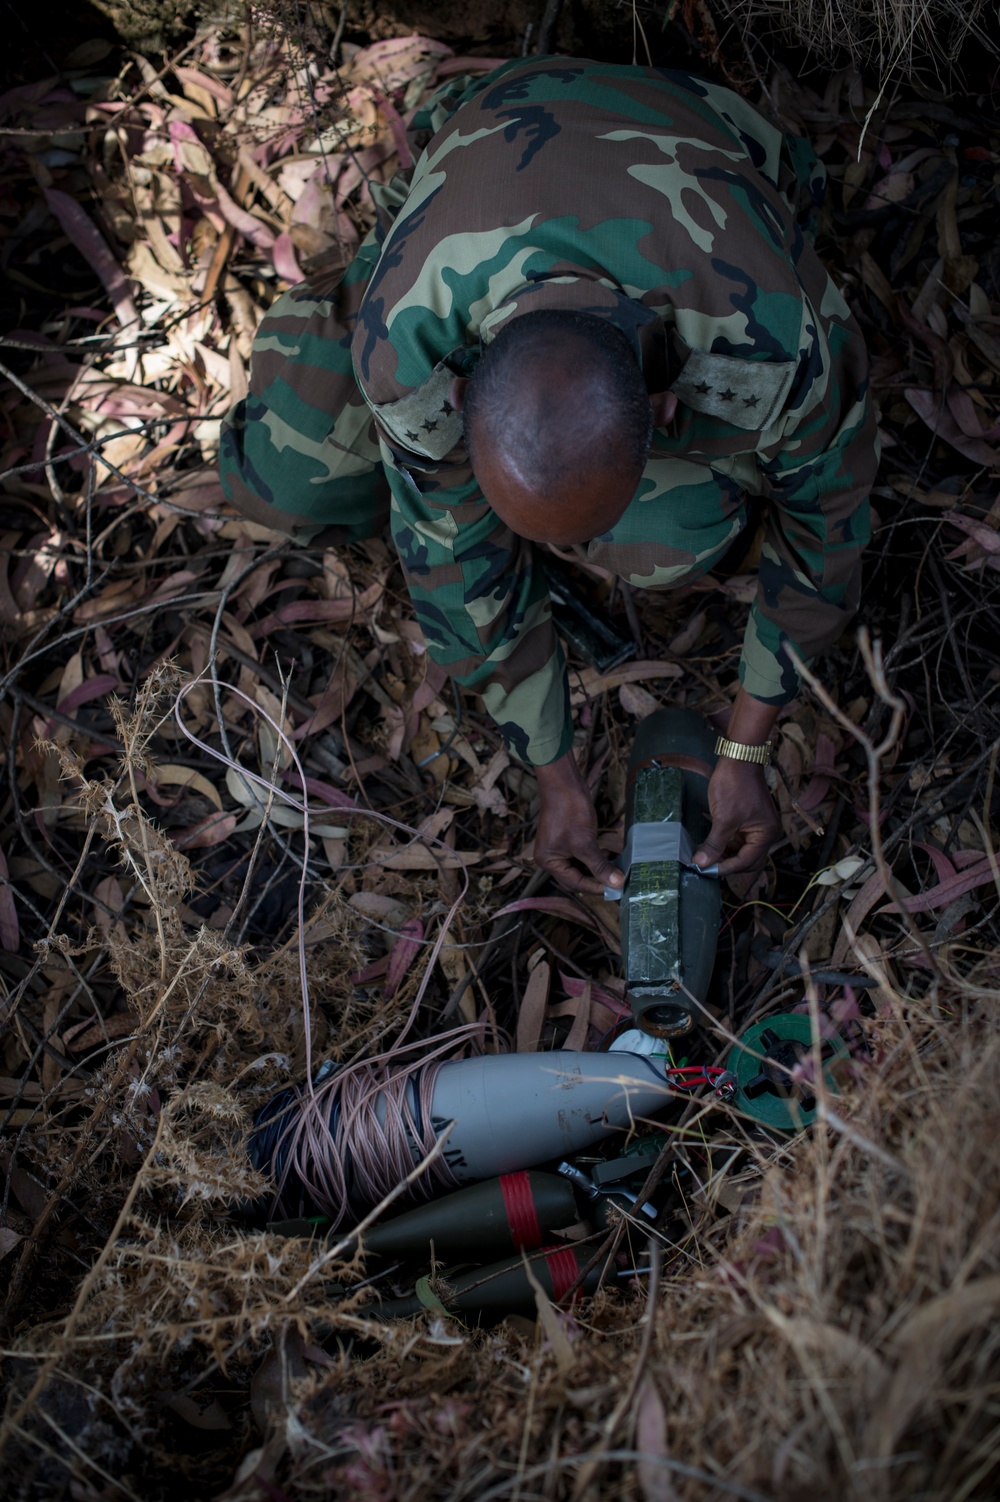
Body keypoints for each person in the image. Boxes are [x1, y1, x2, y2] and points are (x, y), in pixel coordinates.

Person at [219, 55, 878, 896]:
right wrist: (556, 778)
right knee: (282, 480)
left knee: (668, 541)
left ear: (668, 413)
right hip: (490, 136)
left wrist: (746, 748)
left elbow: (829, 521)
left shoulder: (770, 334)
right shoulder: (410, 340)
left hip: (701, 143)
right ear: (461, 393)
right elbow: (450, 559)